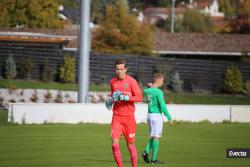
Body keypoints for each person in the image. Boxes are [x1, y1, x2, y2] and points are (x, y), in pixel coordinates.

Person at [105, 59, 143, 167]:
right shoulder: (112, 82)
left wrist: (126, 97)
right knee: (114, 145)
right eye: (117, 69)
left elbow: (139, 97)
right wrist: (110, 100)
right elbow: (113, 96)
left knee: (130, 145)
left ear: (126, 69)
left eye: (121, 69)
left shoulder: (132, 81)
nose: (119, 71)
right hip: (117, 117)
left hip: (129, 119)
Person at [141, 73, 174, 164]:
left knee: (152, 136)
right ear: (158, 80)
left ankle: (146, 152)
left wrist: (150, 86)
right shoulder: (159, 92)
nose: (162, 83)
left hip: (149, 115)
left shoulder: (147, 91)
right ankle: (154, 159)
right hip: (157, 116)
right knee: (156, 137)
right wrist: (169, 117)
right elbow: (163, 106)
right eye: (162, 81)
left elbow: (148, 89)